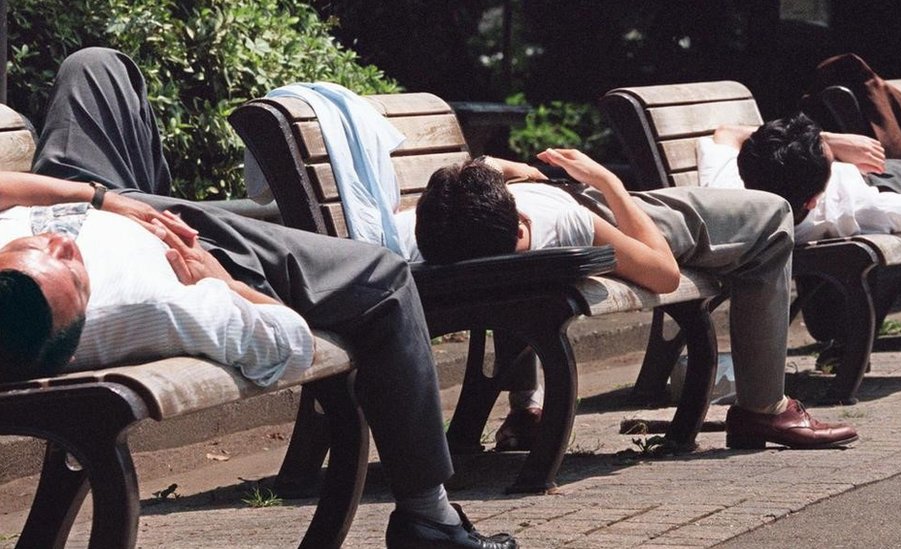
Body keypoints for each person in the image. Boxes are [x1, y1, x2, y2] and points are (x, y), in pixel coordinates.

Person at [0, 47, 518, 549]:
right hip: (185, 242)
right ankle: (430, 519)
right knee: (383, 280)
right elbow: (285, 341)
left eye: (32, 251)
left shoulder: (32, 283)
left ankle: (139, 199)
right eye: (72, 267)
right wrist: (220, 280)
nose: (62, 244)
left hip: (83, 194)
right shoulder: (163, 303)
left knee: (95, 65)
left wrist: (94, 196)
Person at [413, 148, 859, 450]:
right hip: (629, 220)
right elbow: (663, 275)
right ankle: (764, 408)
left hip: (566, 207)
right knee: (773, 213)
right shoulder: (564, 222)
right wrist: (606, 181)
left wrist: (518, 173)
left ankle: (528, 408)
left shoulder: (429, 232)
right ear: (517, 224)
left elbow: (483, 163)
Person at [717, 113, 901, 377]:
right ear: (812, 202)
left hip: (878, 180)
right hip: (884, 183)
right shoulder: (849, 209)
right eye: (831, 157)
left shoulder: (726, 191)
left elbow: (726, 132)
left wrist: (829, 142)